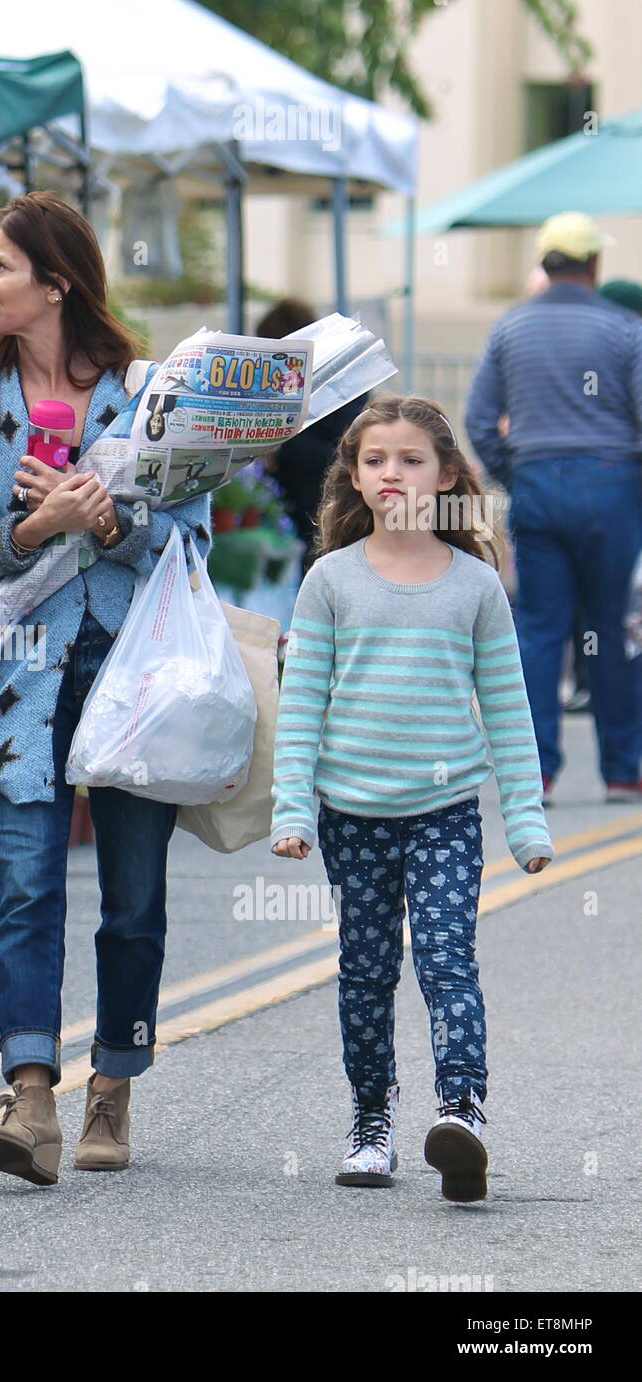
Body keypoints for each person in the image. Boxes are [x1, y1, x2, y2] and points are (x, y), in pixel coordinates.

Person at [0, 191, 210, 1184]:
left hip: (132, 673)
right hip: (14, 679)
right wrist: (32, 531)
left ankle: (115, 1080)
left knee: (131, 898)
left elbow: (192, 539)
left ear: (57, 282)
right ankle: (33, 1090)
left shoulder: (149, 396)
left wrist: (105, 523)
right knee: (26, 890)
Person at [271, 395, 552, 1203]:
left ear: (447, 476)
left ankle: (461, 1112)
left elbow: (507, 708)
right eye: (374, 460)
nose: (391, 473)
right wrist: (293, 809)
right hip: (350, 815)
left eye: (411, 459)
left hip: (444, 816)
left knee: (445, 960)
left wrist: (526, 821)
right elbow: (302, 707)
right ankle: (370, 1121)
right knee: (364, 972)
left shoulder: (474, 586)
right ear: (353, 479)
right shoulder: (329, 581)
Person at [465, 212, 642, 804]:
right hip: (612, 488)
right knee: (608, 630)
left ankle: (537, 772)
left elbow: (479, 419)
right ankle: (623, 770)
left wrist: (515, 471)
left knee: (540, 630)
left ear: (545, 265)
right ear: (594, 264)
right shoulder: (624, 330)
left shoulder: (509, 329)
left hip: (537, 487)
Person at [253, 298, 366, 572]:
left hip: (324, 499)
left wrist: (281, 445)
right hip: (295, 501)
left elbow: (341, 449)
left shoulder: (340, 380)